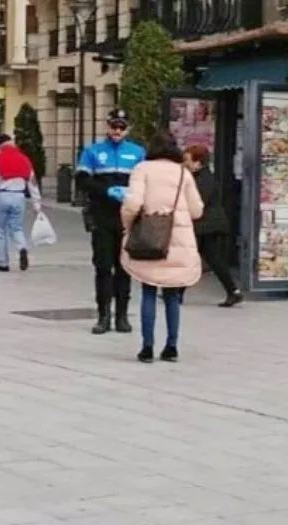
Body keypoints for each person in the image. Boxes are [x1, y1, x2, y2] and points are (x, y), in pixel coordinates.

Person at [120, 131, 204, 363]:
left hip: (149, 237)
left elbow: (133, 203)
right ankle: (171, 347)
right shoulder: (183, 173)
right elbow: (197, 210)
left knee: (148, 290)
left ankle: (147, 348)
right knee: (172, 295)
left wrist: (128, 225)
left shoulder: (142, 169)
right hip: (178, 240)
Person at [75, 108, 146, 334]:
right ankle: (103, 315)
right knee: (103, 267)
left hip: (127, 217)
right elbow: (82, 181)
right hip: (102, 216)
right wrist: (106, 191)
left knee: (124, 268)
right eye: (114, 126)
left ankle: (122, 316)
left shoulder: (137, 153)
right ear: (107, 127)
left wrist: (131, 194)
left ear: (128, 129)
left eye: (122, 127)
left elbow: (145, 183)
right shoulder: (93, 151)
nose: (117, 130)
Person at [183, 145, 243, 307]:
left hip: (207, 225)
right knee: (205, 258)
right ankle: (233, 290)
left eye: (188, 160)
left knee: (205, 258)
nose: (185, 163)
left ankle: (233, 291)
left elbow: (197, 202)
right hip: (208, 224)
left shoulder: (202, 179)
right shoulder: (202, 177)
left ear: (198, 162)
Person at [0, 134, 41, 271]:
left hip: (2, 195)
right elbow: (33, 182)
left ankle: (3, 263)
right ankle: (22, 248)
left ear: (0, 145)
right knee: (17, 228)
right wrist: (36, 202)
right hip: (19, 196)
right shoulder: (24, 159)